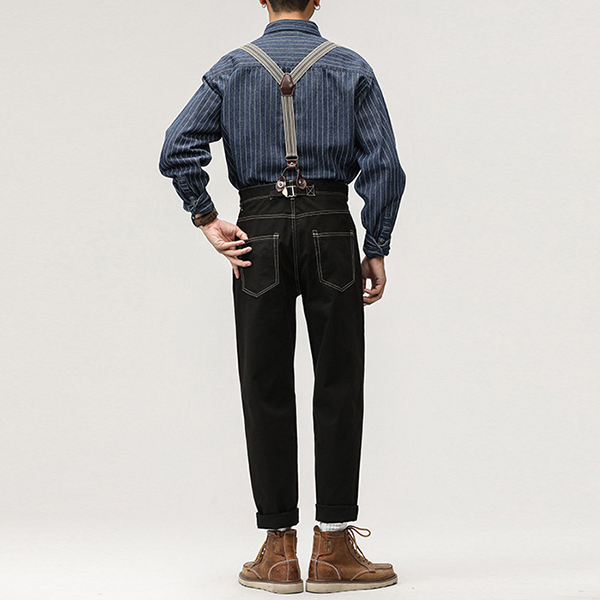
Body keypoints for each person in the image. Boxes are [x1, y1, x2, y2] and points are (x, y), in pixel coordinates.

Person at [158, 0, 406, 593]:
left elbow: (177, 147)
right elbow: (386, 166)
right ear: (317, 0)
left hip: (259, 230)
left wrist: (206, 216)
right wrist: (376, 243)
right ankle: (334, 550)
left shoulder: (232, 67)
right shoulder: (350, 66)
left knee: (263, 382)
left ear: (263, 1)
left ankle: (277, 551)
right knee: (339, 382)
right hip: (331, 229)